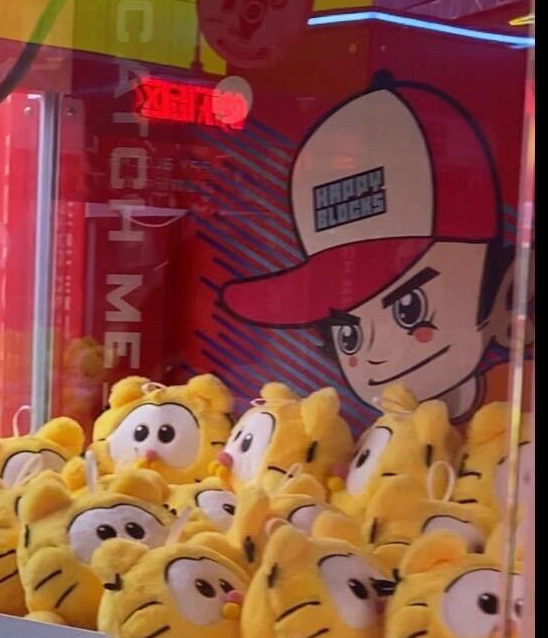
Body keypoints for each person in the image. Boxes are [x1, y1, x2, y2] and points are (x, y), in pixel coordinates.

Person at [221, 73, 521, 421]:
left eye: (410, 309)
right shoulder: (360, 427)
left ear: (503, 290)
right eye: (349, 337)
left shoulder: (514, 400)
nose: (376, 356)